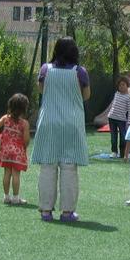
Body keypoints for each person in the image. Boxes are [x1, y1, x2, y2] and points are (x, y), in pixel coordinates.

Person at [32, 37, 91, 222]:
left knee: (47, 166)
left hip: (49, 121)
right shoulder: (80, 72)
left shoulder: (45, 70)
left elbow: (41, 89)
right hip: (72, 123)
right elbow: (86, 95)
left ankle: (45, 211)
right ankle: (67, 212)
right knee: (69, 168)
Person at [0, 93, 31, 205]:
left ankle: (6, 197)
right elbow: (26, 139)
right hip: (17, 152)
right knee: (16, 174)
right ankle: (16, 198)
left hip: (6, 151)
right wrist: (24, 147)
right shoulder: (25, 123)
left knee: (7, 172)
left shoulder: (5, 119)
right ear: (24, 108)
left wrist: (1, 139)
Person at [107, 75, 130, 158]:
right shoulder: (116, 94)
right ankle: (114, 151)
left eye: (123, 84)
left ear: (127, 85)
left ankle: (124, 153)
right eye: (120, 85)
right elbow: (113, 106)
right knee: (113, 136)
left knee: (123, 137)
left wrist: (129, 122)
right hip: (112, 118)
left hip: (122, 120)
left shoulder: (129, 97)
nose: (121, 87)